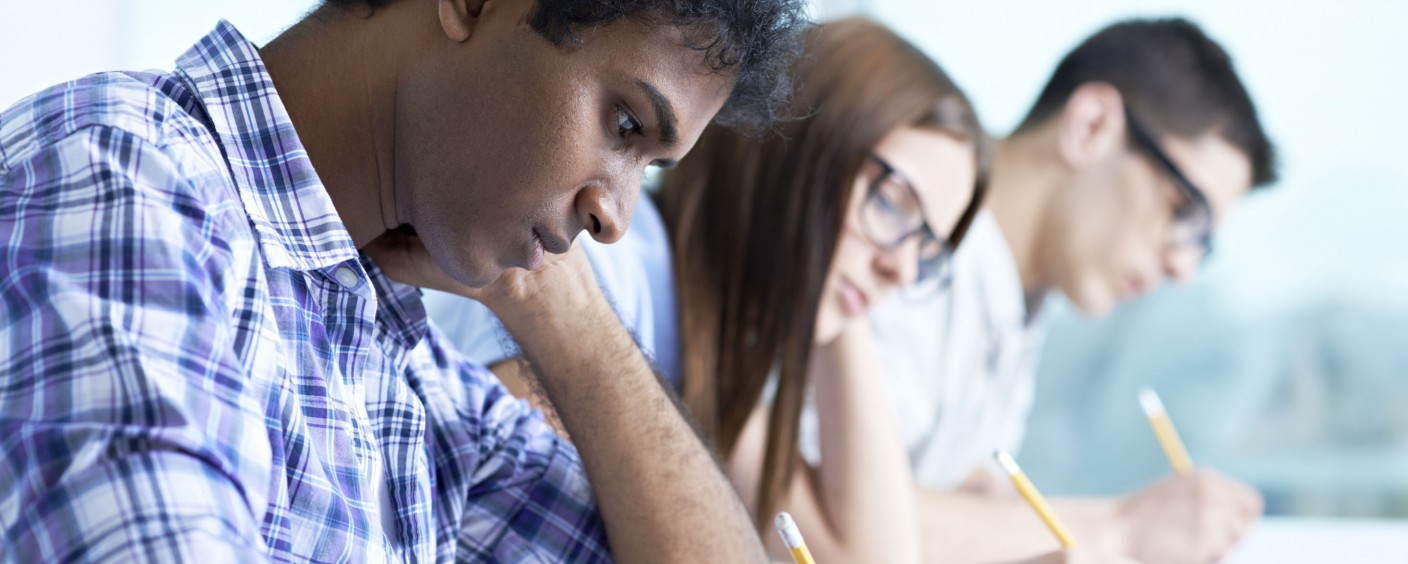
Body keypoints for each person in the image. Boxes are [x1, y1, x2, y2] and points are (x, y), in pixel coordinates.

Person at [0, 0, 811, 561]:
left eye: (651, 168)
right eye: (625, 124)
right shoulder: (122, 176)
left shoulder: (398, 370)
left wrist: (570, 321)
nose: (615, 219)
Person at [431, 18, 1135, 564]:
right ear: (799, 148)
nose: (901, 269)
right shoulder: (615, 259)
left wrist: (841, 281)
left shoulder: (725, 344)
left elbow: (875, 553)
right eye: (894, 203)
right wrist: (827, 239)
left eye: (927, 250)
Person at [839, 18, 1279, 564]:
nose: (1183, 267)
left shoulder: (1022, 299)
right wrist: (1123, 528)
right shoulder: (896, 257)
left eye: (1202, 243)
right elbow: (822, 514)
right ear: (1091, 126)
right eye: (1183, 211)